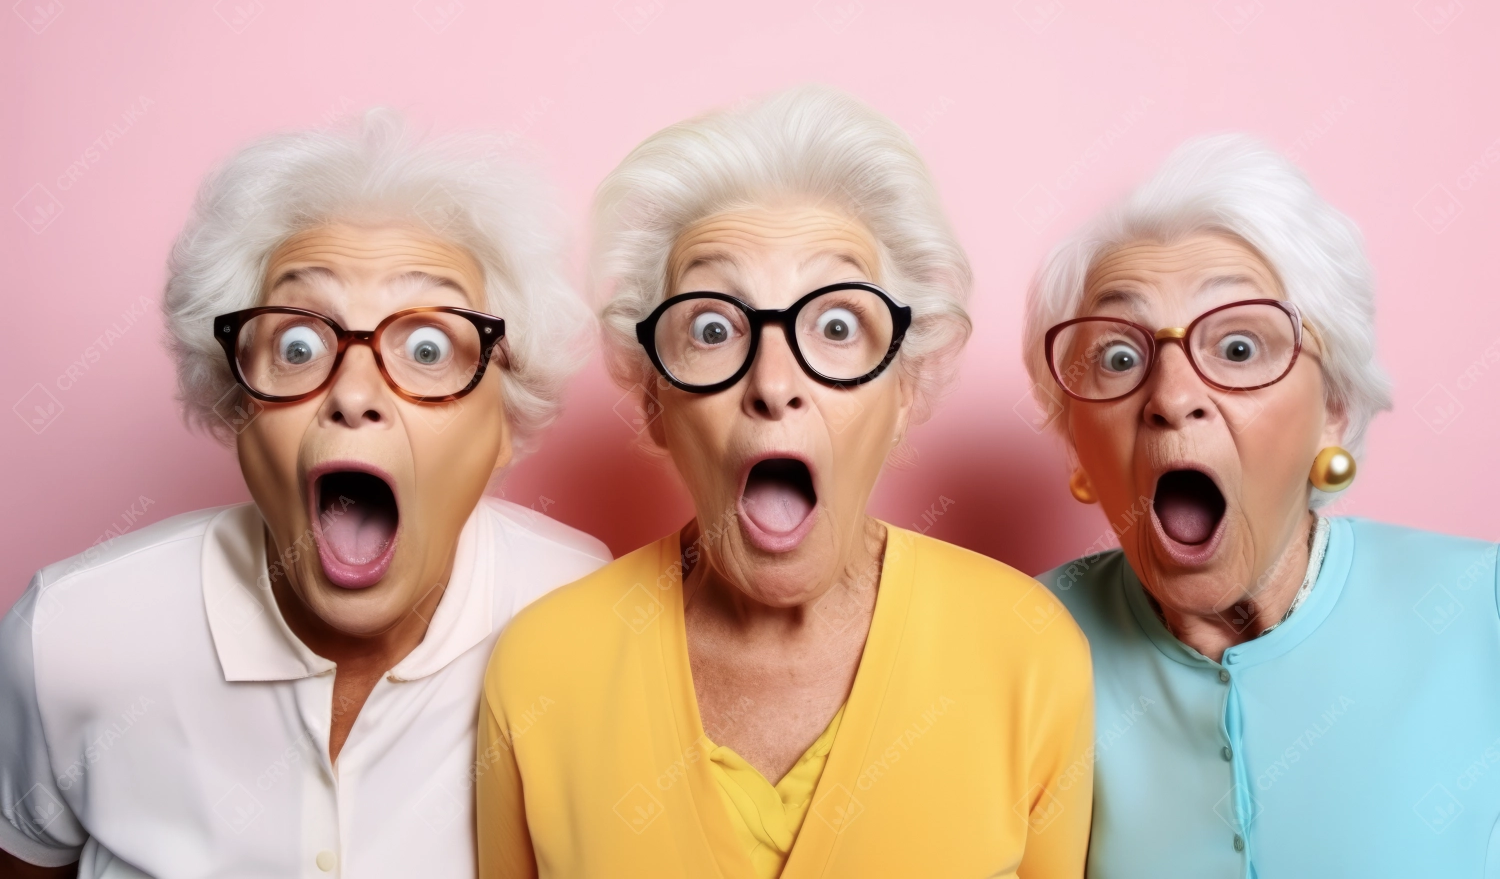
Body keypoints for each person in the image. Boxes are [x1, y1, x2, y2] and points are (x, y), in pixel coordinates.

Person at [476, 86, 1095, 879]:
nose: (775, 381)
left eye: (837, 326)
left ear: (904, 390)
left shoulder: (1026, 651)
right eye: (711, 328)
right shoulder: (543, 668)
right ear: (653, 400)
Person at [0, 111, 610, 878]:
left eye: (428, 348)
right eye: (298, 346)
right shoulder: (69, 636)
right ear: (235, 406)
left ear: (505, 421)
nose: (355, 395)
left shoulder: (590, 621)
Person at [1029, 134, 1500, 878]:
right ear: (1073, 439)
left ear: (1335, 409)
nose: (1173, 398)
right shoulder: (1013, 645)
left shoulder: (1482, 612)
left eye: (1239, 348)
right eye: (1120, 357)